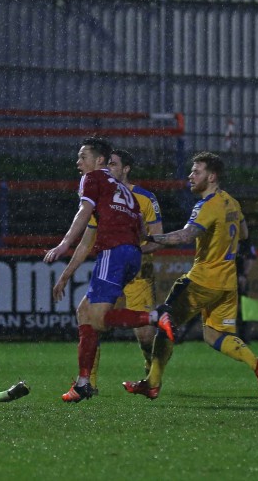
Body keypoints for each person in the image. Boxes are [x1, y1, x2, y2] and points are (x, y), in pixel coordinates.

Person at [118, 151, 258, 399]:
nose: (190, 176)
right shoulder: (231, 202)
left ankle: (152, 383)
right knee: (215, 335)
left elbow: (185, 236)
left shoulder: (206, 205)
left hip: (202, 279)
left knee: (165, 322)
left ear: (211, 177)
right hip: (226, 282)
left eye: (196, 171)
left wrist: (147, 238)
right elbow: (243, 233)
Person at [44, 137, 173, 403]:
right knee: (85, 312)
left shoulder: (93, 179)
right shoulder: (125, 192)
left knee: (99, 319)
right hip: (131, 255)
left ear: (99, 160)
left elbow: (83, 212)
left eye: (83, 157)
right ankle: (83, 383)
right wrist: (66, 275)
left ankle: (155, 316)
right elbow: (137, 226)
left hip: (113, 253)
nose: (78, 163)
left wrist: (63, 244)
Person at [87, 149, 165, 392]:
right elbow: (90, 234)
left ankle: (149, 365)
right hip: (110, 267)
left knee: (144, 337)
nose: (109, 168)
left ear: (126, 168)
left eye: (114, 164)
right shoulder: (101, 196)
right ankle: (87, 382)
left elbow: (157, 238)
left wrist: (131, 250)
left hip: (137, 271)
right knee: (91, 320)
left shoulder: (145, 198)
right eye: (107, 164)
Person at [174, 236, 257, 344]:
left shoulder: (244, 241)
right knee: (203, 305)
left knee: (241, 308)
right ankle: (182, 334)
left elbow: (250, 258)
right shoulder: (223, 237)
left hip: (235, 279)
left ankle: (243, 337)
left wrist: (244, 275)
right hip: (219, 278)